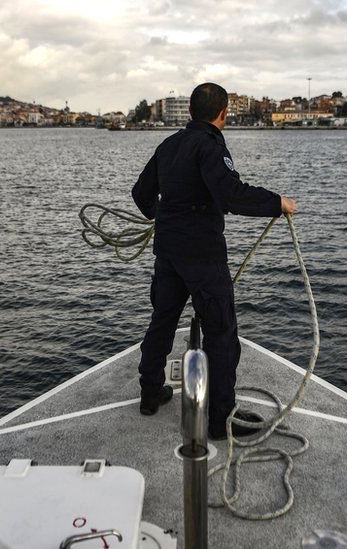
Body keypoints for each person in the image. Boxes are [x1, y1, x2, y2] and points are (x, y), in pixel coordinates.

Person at [131, 82, 297, 439]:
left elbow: (140, 193)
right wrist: (276, 202)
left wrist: (163, 216)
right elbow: (231, 195)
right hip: (202, 254)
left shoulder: (169, 144)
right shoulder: (210, 146)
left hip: (169, 251)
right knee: (221, 332)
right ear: (223, 114)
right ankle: (220, 419)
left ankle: (149, 393)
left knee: (162, 319)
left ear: (190, 112)